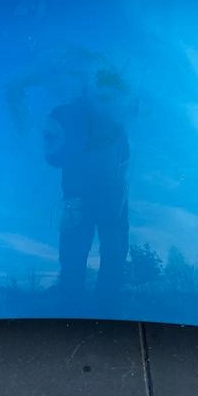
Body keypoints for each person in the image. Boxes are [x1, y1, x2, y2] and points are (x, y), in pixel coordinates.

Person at [44, 69, 131, 297]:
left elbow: (124, 162)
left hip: (113, 201)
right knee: (72, 257)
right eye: (102, 91)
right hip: (79, 200)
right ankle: (71, 305)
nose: (108, 98)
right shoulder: (67, 115)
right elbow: (53, 155)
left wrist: (121, 195)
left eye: (112, 93)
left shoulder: (117, 124)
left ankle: (106, 306)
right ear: (89, 89)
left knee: (115, 255)